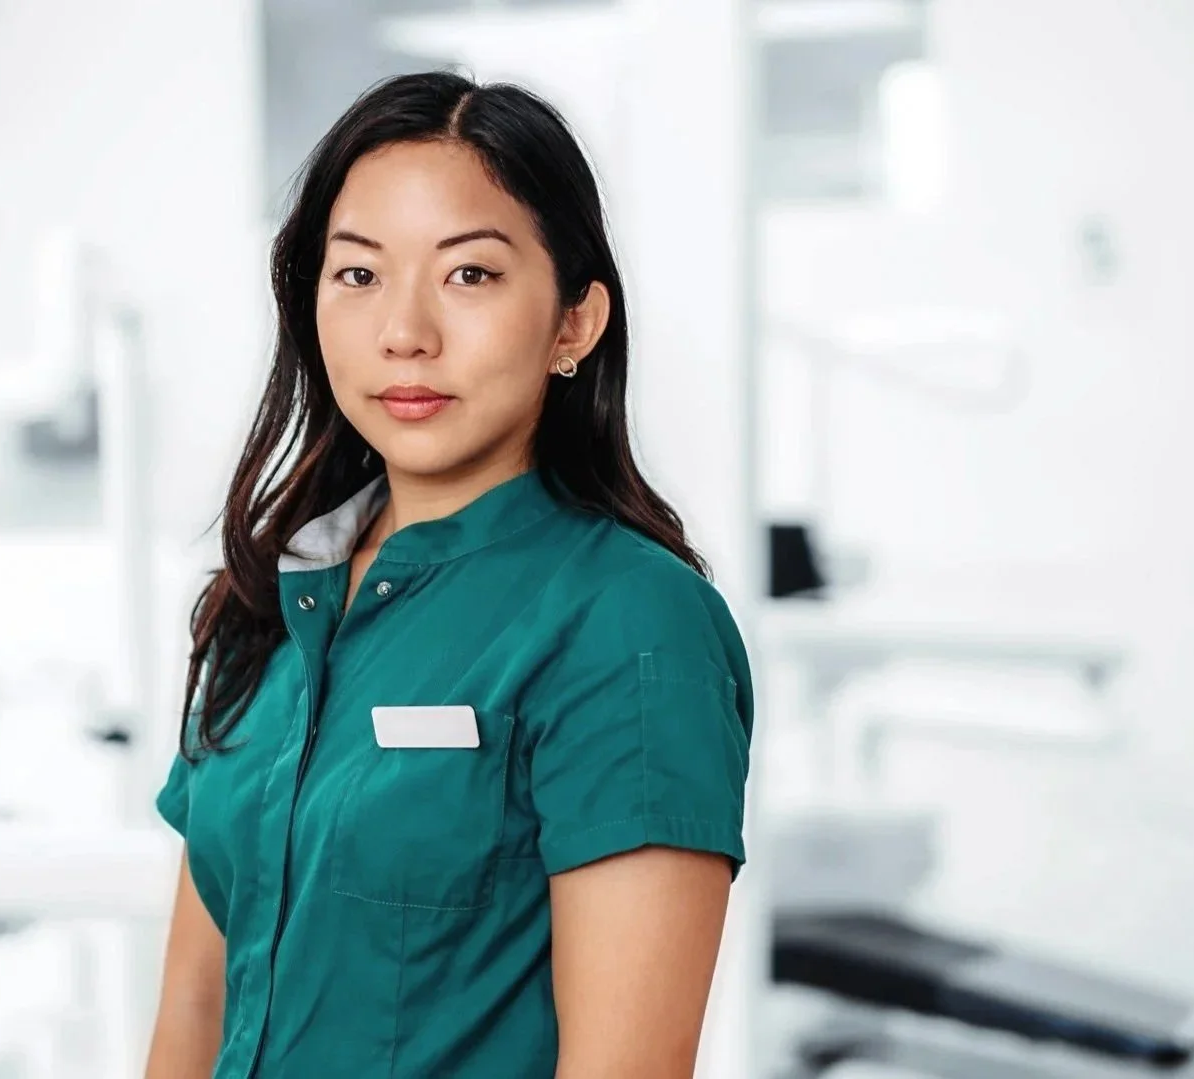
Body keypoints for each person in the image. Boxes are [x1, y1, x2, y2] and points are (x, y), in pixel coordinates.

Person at [144, 70, 755, 1078]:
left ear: (573, 321)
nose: (405, 332)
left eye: (469, 274)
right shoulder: (264, 600)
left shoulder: (629, 623)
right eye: (358, 274)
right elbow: (194, 1001)